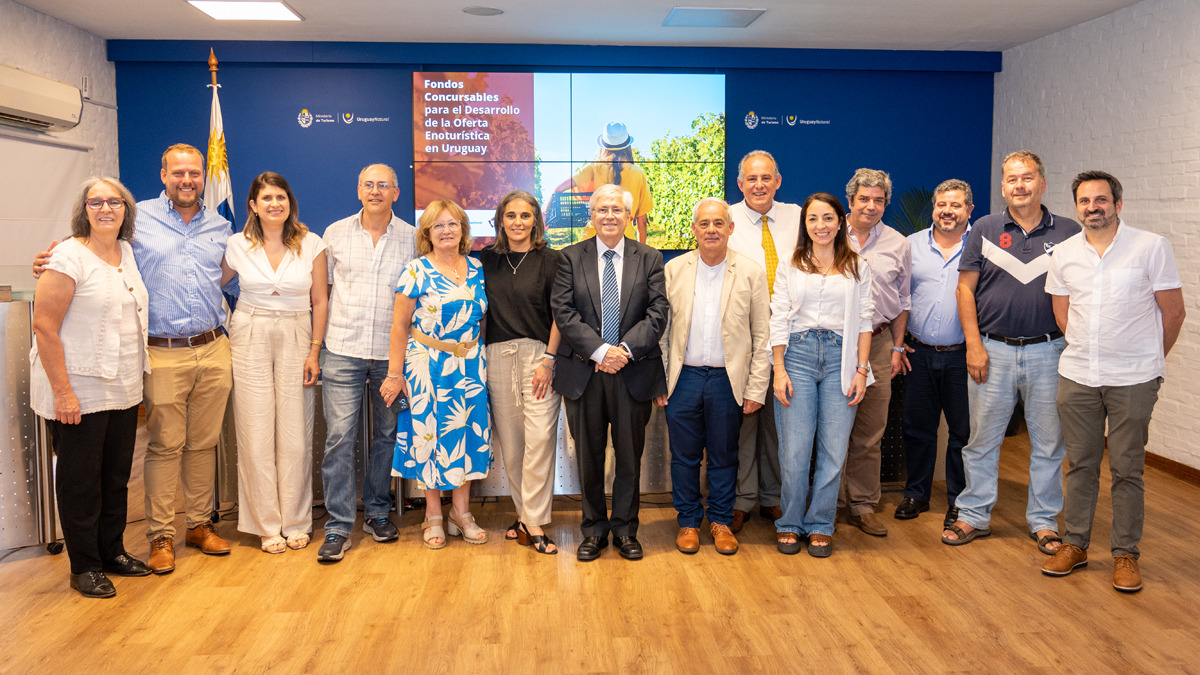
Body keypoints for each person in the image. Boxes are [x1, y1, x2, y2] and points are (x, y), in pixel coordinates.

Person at [35, 143, 234, 573]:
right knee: (164, 446)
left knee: (203, 444)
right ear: (163, 174)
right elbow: (86, 250)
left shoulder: (221, 225)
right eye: (178, 172)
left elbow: (234, 272)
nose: (187, 180)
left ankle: (199, 524)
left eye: (194, 173)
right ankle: (160, 535)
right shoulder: (135, 219)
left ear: (204, 176)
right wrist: (48, 262)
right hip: (161, 352)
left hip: (214, 347)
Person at [1041, 171, 1185, 592]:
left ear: (1118, 204)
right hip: (1079, 375)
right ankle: (1076, 544)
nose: (1092, 207)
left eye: (1101, 200)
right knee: (1080, 464)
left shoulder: (1151, 247)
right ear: (1077, 207)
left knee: (1127, 468)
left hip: (1134, 379)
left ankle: (1125, 553)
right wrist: (1087, 349)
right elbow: (1062, 314)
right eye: (1084, 201)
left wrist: (1148, 361)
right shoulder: (1064, 253)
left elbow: (1173, 313)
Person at [944, 150, 1081, 553]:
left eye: (1026, 178)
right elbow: (964, 288)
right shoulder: (984, 228)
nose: (1018, 186)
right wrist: (973, 345)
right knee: (981, 441)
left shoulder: (1069, 231)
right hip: (992, 351)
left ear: (1041, 182)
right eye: (1011, 179)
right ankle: (974, 515)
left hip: (1050, 352)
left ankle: (1043, 521)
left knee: (1049, 443)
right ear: (1002, 186)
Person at [30, 177, 152, 597]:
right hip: (77, 388)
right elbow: (44, 327)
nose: (105, 209)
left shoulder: (127, 251)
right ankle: (83, 566)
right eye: (95, 202)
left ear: (125, 209)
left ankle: (111, 551)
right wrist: (63, 393)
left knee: (115, 477)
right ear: (84, 210)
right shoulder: (66, 256)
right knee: (80, 481)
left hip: (120, 387)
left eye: (113, 201)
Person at [551, 183, 669, 561]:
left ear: (629, 216)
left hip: (633, 373)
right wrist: (602, 351)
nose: (609, 216)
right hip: (585, 374)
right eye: (602, 209)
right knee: (588, 457)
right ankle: (593, 531)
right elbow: (564, 313)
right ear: (592, 215)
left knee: (629, 458)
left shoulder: (650, 258)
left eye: (617, 210)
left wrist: (624, 351)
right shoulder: (570, 258)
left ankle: (625, 530)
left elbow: (658, 313)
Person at [656, 197, 771, 556]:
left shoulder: (751, 272)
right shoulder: (673, 270)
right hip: (683, 380)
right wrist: (660, 382)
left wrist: (755, 388)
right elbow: (661, 331)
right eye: (704, 224)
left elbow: (762, 334)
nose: (711, 230)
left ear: (730, 228)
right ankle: (689, 522)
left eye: (718, 223)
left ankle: (720, 521)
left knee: (725, 456)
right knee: (683, 457)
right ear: (693, 229)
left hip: (727, 382)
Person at [221, 172, 328, 554]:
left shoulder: (311, 243)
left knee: (296, 431)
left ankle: (297, 521)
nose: (274, 204)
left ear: (290, 202)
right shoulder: (236, 244)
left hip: (299, 334)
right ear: (252, 205)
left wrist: (315, 350)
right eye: (266, 198)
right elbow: (208, 282)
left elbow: (321, 300)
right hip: (250, 332)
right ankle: (266, 525)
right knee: (255, 429)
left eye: (280, 197)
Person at [316, 164, 417, 564]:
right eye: (368, 184)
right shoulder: (335, 233)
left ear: (396, 192)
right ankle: (339, 525)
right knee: (339, 437)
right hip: (341, 348)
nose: (375, 191)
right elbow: (321, 292)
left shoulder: (412, 238)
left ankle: (377, 512)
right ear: (358, 190)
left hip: (392, 356)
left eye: (383, 185)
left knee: (386, 436)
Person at [380, 200, 491, 549]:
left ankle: (461, 512)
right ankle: (433, 514)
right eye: (438, 225)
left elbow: (479, 318)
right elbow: (399, 327)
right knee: (431, 436)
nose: (446, 230)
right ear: (427, 233)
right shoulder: (416, 270)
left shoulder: (476, 268)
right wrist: (394, 374)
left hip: (471, 365)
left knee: (467, 435)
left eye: (453, 224)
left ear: (463, 229)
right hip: (427, 365)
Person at [772, 192, 874, 558]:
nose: (821, 226)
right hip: (796, 356)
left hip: (841, 358)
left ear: (840, 221)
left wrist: (861, 370)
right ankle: (790, 523)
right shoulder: (790, 263)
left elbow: (865, 320)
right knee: (795, 451)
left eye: (828, 218)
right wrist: (779, 368)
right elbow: (779, 315)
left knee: (833, 450)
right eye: (813, 219)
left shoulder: (857, 265)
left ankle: (820, 524)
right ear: (805, 225)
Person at [480, 190, 565, 555]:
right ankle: (524, 515)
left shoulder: (553, 260)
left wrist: (549, 360)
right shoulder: (486, 260)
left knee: (541, 440)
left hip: (540, 359)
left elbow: (561, 314)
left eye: (525, 216)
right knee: (513, 447)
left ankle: (533, 521)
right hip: (497, 356)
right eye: (510, 216)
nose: (517, 222)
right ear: (501, 220)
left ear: (536, 221)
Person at [725, 150, 801, 532]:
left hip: (789, 340)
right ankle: (741, 499)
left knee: (779, 424)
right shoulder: (727, 219)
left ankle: (772, 496)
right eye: (751, 179)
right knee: (742, 422)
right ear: (740, 184)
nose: (759, 185)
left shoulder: (798, 217)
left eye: (766, 178)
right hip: (742, 340)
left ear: (778, 181)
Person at [896, 180, 973, 527]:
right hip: (921, 353)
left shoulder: (980, 246)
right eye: (942, 204)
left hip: (964, 356)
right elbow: (901, 299)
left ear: (969, 210)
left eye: (956, 205)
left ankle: (959, 501)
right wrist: (899, 343)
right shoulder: (911, 246)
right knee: (917, 428)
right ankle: (916, 494)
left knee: (962, 433)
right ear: (933, 208)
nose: (947, 211)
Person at [839, 168, 911, 538]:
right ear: (850, 201)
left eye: (878, 200)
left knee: (870, 431)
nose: (870, 206)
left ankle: (863, 505)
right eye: (863, 199)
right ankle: (829, 504)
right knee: (831, 429)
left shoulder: (898, 244)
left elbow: (902, 302)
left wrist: (898, 346)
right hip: (834, 343)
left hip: (880, 343)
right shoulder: (829, 234)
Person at [555, 122, 653, 243]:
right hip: (625, 242)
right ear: (627, 146)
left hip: (592, 240)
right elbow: (642, 221)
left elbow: (558, 189)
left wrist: (544, 214)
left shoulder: (593, 167)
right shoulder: (638, 174)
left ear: (604, 146)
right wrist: (641, 252)